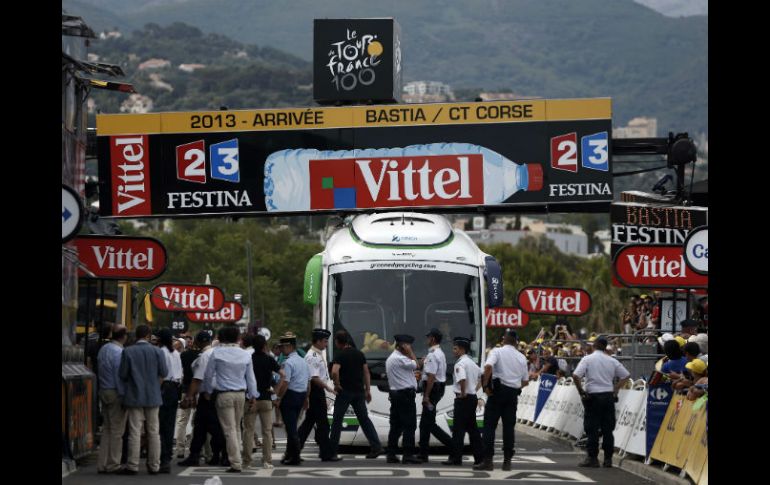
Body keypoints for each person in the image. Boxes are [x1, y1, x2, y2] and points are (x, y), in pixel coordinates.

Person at [201, 325, 258, 473]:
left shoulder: (217, 353)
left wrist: (207, 391)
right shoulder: (245, 354)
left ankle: (235, 462)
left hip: (223, 394)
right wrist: (253, 395)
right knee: (237, 428)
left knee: (229, 430)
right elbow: (251, 378)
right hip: (241, 394)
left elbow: (208, 375)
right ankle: (237, 458)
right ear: (238, 338)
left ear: (221, 337)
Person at [572, 336, 631, 468]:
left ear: (594, 345)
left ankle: (592, 458)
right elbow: (626, 375)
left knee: (592, 428)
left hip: (593, 396)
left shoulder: (587, 359)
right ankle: (608, 459)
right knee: (607, 429)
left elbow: (576, 375)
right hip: (608, 396)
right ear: (605, 347)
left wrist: (581, 391)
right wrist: (615, 389)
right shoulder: (612, 360)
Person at [117, 324, 168, 475]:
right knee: (153, 431)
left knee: (134, 431)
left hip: (134, 396)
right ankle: (154, 465)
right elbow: (164, 372)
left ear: (136, 336)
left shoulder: (128, 351)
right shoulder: (158, 351)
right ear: (148, 335)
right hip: (153, 396)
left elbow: (123, 374)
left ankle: (132, 465)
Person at [475, 328, 528, 471]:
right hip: (512, 394)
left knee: (489, 427)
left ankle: (488, 461)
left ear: (504, 339)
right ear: (516, 342)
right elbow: (525, 381)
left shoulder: (497, 351)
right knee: (509, 428)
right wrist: (515, 386)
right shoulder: (521, 357)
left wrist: (485, 385)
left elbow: (487, 366)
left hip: (497, 393)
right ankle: (507, 462)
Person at [329, 330, 385, 459]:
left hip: (344, 392)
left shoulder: (340, 355)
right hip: (359, 392)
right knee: (364, 419)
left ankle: (332, 451)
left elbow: (335, 372)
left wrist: (337, 384)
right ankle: (376, 446)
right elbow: (366, 372)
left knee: (337, 420)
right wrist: (368, 390)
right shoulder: (359, 354)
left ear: (338, 342)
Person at [178, 331, 227, 468]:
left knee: (209, 426)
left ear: (197, 342)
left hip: (207, 395)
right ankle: (213, 455)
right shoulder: (217, 353)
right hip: (219, 393)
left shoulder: (205, 356)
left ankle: (222, 454)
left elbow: (197, 379)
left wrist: (189, 396)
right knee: (203, 426)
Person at [298, 328, 341, 461]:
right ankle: (326, 453)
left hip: (317, 392)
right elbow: (314, 378)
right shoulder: (312, 356)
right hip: (315, 392)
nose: (326, 344)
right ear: (317, 341)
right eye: (324, 341)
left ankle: (293, 450)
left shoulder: (317, 354)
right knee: (322, 424)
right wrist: (329, 389)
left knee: (309, 423)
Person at [441, 336, 482, 466]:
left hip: (463, 399)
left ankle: (455, 458)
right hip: (472, 398)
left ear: (462, 349)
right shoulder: (471, 362)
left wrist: (463, 393)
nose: (453, 351)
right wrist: (474, 389)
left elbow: (462, 379)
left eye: (455, 348)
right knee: (473, 430)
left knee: (458, 431)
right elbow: (484, 375)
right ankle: (479, 458)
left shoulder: (460, 364)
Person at [246, 334, 283, 469]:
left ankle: (247, 461)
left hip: (251, 398)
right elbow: (282, 374)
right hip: (267, 398)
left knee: (248, 430)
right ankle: (267, 461)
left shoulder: (248, 359)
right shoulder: (269, 359)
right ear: (264, 346)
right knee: (267, 431)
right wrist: (276, 392)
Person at [417, 328, 453, 462]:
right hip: (437, 388)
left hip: (432, 389)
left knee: (428, 423)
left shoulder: (433, 355)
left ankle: (453, 446)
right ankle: (423, 453)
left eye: (428, 337)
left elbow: (431, 377)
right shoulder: (438, 353)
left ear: (432, 339)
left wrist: (426, 396)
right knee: (426, 423)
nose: (426, 339)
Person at [385, 334, 422, 464]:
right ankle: (408, 454)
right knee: (409, 425)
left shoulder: (392, 358)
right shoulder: (400, 359)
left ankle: (391, 454)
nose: (410, 347)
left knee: (395, 426)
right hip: (405, 396)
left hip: (396, 395)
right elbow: (416, 365)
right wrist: (410, 352)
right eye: (408, 345)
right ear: (402, 345)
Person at [275, 332, 310, 466]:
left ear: (290, 346)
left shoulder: (288, 363)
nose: (282, 350)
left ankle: (295, 456)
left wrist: (278, 398)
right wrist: (306, 398)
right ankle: (290, 454)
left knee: (291, 428)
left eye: (283, 347)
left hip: (290, 396)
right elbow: (308, 382)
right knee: (293, 426)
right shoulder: (303, 361)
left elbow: (285, 383)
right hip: (301, 396)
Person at [96, 324, 128, 474]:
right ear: (123, 336)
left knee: (107, 430)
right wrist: (123, 396)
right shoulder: (119, 352)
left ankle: (102, 463)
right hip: (115, 392)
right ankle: (113, 463)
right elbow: (119, 376)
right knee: (117, 431)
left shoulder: (103, 349)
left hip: (103, 390)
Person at [157, 328, 183, 473]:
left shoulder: (161, 352)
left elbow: (161, 373)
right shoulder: (176, 354)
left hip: (164, 388)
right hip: (174, 388)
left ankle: (162, 456)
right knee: (170, 423)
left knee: (160, 423)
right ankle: (167, 456)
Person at [175, 336, 202, 459]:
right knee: (198, 421)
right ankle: (196, 448)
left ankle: (180, 449)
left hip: (185, 391)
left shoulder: (183, 355)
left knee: (182, 421)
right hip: (199, 391)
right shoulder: (202, 356)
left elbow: (179, 373)